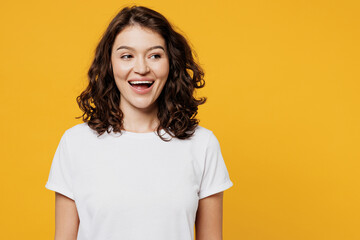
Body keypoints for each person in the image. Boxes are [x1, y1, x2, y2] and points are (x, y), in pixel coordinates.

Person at [45, 5, 234, 240]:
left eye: (155, 55)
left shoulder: (202, 144)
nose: (142, 68)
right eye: (127, 56)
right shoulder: (75, 143)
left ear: (170, 63)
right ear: (110, 64)